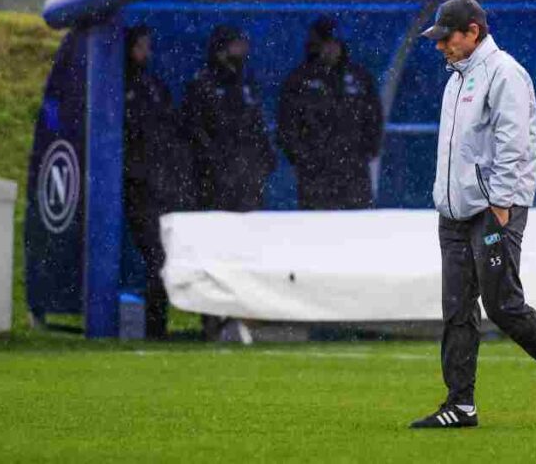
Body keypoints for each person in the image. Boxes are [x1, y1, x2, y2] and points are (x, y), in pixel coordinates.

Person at [410, 0, 536, 429]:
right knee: (457, 309)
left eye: (447, 38)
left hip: (493, 209)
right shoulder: (456, 79)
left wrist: (501, 203)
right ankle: (461, 404)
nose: (441, 46)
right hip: (454, 213)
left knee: (503, 305)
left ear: (473, 32)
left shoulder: (505, 74)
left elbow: (515, 144)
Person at [277, 17, 383, 209]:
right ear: (315, 46)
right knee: (317, 229)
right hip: (315, 175)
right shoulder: (299, 81)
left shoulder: (359, 78)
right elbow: (287, 126)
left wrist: (367, 151)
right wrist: (304, 158)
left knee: (359, 228)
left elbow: (374, 118)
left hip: (354, 172)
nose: (332, 49)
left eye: (336, 43)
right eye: (326, 43)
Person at [123, 25, 187, 340]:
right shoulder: (118, 85)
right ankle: (153, 326)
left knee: (161, 255)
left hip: (160, 185)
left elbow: (171, 131)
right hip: (138, 187)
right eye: (142, 47)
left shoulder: (153, 86)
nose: (146, 53)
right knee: (154, 256)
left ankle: (158, 325)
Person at [182, 25, 276, 213]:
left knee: (252, 224)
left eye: (243, 44)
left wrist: (265, 155)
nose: (243, 49)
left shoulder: (246, 82)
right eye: (237, 44)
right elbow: (194, 127)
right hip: (217, 178)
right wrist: (215, 161)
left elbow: (257, 123)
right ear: (221, 49)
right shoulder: (202, 83)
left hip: (249, 174)